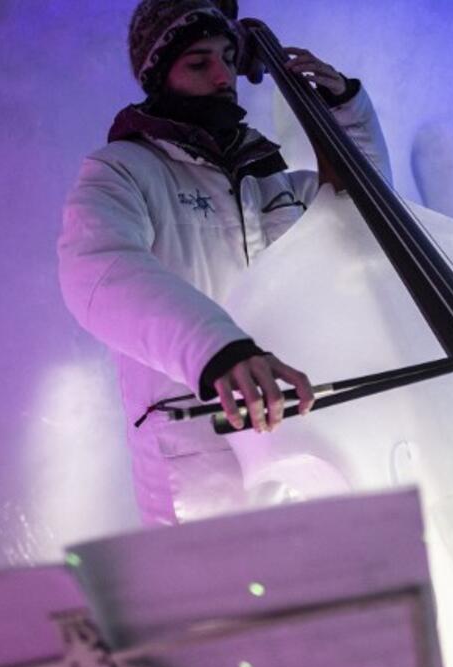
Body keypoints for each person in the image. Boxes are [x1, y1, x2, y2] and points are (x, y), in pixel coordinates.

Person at [57, 0, 390, 525]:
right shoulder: (120, 172)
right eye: (198, 62)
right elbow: (98, 271)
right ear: (158, 76)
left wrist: (346, 112)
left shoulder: (272, 181)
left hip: (312, 444)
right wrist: (216, 350)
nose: (222, 76)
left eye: (228, 57)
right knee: (226, 606)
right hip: (204, 456)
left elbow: (366, 222)